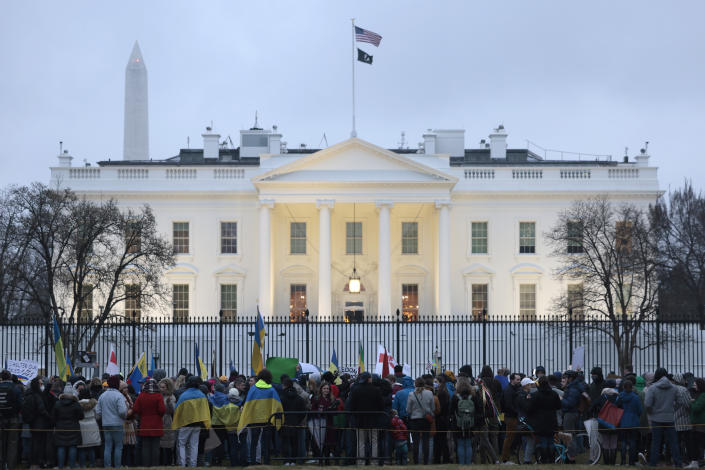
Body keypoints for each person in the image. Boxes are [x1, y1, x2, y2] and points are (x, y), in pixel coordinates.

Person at [236, 369, 283, 465]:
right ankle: (266, 463)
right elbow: (278, 406)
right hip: (268, 421)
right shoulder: (272, 390)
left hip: (254, 420)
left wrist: (246, 418)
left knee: (254, 443)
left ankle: (253, 463)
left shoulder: (253, 389)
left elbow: (247, 406)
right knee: (266, 444)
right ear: (269, 378)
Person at [645, 367, 685, 467]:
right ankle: (678, 463)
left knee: (656, 443)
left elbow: (647, 404)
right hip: (670, 418)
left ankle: (653, 463)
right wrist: (672, 410)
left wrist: (652, 412)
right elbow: (680, 402)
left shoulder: (652, 388)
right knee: (673, 443)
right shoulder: (674, 387)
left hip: (656, 419)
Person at [172, 376, 211, 467]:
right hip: (198, 424)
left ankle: (182, 464)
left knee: (181, 444)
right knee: (194, 445)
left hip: (185, 424)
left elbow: (177, 410)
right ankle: (193, 464)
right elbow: (205, 411)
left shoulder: (184, 396)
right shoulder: (202, 395)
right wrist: (207, 424)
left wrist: (176, 423)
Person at [349, 372, 385, 465]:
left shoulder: (356, 390)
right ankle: (374, 462)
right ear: (369, 379)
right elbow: (381, 406)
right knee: (374, 442)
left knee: (360, 442)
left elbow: (351, 406)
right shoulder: (376, 390)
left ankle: (360, 461)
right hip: (373, 419)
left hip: (359, 419)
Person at [95, 375, 128, 468]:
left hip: (106, 424)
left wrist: (104, 416)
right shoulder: (119, 395)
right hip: (117, 423)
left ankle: (107, 466)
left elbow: (98, 411)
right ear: (117, 384)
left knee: (108, 446)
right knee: (118, 446)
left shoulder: (102, 395)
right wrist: (124, 416)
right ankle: (117, 466)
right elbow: (122, 411)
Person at [132, 379, 166, 467]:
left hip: (144, 423)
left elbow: (135, 409)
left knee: (145, 447)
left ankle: (146, 465)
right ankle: (154, 465)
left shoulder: (141, 395)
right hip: (156, 424)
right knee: (155, 447)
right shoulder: (158, 396)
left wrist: (142, 414)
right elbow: (162, 410)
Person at [527, 376, 561, 464]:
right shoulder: (554, 394)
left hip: (540, 421)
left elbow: (530, 408)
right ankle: (552, 459)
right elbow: (559, 406)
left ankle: (544, 459)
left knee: (543, 441)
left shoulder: (536, 395)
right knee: (550, 441)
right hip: (552, 420)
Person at [52, 384, 84, 469]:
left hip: (60, 427)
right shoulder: (76, 404)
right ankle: (72, 466)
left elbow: (53, 417)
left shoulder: (57, 403)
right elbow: (81, 416)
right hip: (74, 427)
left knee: (61, 446)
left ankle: (61, 466)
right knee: (72, 446)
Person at [22, 376, 50, 470]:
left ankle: (32, 462)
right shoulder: (37, 395)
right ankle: (38, 462)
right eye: (41, 384)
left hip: (32, 422)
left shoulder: (28, 394)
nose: (42, 385)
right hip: (40, 422)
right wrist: (49, 417)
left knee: (33, 442)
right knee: (39, 443)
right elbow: (41, 409)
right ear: (37, 385)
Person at [279, 377, 308, 466]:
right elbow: (303, 411)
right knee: (294, 442)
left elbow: (279, 410)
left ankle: (286, 460)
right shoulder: (299, 398)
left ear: (284, 385)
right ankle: (294, 460)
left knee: (285, 442)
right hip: (295, 422)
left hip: (285, 423)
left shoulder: (281, 397)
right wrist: (298, 419)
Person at [406, 377, 434, 465]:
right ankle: (426, 461)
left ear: (415, 384)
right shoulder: (430, 393)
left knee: (416, 442)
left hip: (415, 420)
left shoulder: (411, 394)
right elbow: (433, 408)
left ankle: (416, 461)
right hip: (426, 420)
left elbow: (408, 410)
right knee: (426, 441)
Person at [560, 370, 586, 463]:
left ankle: (571, 458)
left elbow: (570, 404)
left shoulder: (573, 389)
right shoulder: (573, 387)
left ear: (570, 378)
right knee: (570, 435)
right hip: (571, 413)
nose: (564, 379)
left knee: (569, 436)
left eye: (565, 378)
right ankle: (570, 455)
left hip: (570, 413)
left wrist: (561, 399)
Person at [616, 379, 642, 466]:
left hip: (623, 422)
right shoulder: (636, 397)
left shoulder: (620, 396)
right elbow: (640, 411)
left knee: (623, 442)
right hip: (634, 422)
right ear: (632, 387)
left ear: (623, 387)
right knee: (632, 442)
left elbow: (616, 407)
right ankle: (631, 461)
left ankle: (623, 461)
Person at [0, 369, 22, 470]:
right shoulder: (15, 388)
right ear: (10, 377)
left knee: (1, 442)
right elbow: (20, 404)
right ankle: (10, 466)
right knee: (12, 443)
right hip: (13, 418)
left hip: (0, 418)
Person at [499, 372, 522, 463]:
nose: (519, 381)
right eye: (517, 379)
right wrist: (517, 412)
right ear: (512, 380)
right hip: (510, 417)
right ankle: (505, 458)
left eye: (519, 379)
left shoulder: (514, 389)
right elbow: (508, 405)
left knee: (510, 437)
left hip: (511, 416)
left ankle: (506, 456)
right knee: (509, 438)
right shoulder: (509, 390)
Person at [77, 388, 101, 468]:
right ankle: (92, 464)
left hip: (81, 425)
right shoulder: (94, 403)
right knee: (91, 447)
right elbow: (98, 415)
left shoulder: (77, 403)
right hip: (92, 424)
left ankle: (82, 465)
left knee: (82, 448)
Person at [687, 378, 705, 468]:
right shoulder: (700, 395)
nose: (693, 386)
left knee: (700, 443)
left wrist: (692, 403)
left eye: (695, 385)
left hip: (700, 424)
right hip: (696, 424)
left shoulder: (703, 395)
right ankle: (695, 462)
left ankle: (701, 462)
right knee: (695, 443)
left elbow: (697, 409)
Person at [158, 378, 177, 465]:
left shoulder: (171, 397)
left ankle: (168, 463)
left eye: (163, 387)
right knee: (159, 445)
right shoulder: (158, 396)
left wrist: (169, 403)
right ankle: (160, 462)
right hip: (158, 420)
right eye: (160, 387)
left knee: (168, 444)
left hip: (167, 421)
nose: (161, 389)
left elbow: (173, 410)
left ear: (168, 388)